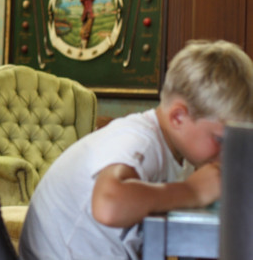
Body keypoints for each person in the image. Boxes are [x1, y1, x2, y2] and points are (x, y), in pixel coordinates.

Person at [19, 39, 253, 260]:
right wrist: (193, 191)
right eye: (221, 139)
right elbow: (108, 205)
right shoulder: (139, 138)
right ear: (178, 117)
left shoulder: (179, 151)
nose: (227, 153)